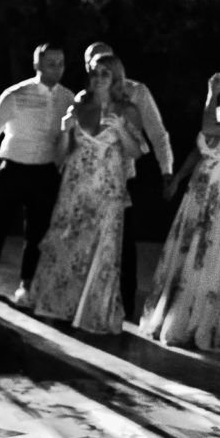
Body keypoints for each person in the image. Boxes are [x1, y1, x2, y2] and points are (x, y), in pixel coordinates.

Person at [140, 59, 220, 351]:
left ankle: (203, 323)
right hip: (200, 187)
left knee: (213, 251)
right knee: (189, 250)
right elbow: (200, 150)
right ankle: (176, 316)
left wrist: (210, 95)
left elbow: (210, 127)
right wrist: (178, 179)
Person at [29, 54, 146, 333]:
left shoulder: (127, 109)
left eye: (105, 73)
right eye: (94, 73)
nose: (98, 78)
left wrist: (120, 130)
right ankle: (61, 306)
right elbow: (60, 157)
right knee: (67, 245)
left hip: (107, 190)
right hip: (76, 186)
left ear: (115, 78)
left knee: (101, 251)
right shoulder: (79, 104)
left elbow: (137, 152)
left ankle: (92, 311)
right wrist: (65, 131)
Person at [0, 43, 74, 304]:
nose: (57, 68)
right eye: (51, 63)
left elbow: (71, 137)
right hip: (14, 168)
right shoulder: (17, 94)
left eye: (61, 63)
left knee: (37, 231)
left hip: (47, 171)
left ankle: (27, 286)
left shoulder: (68, 98)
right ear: (37, 64)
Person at [84, 42, 173, 318]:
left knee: (123, 241)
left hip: (122, 176)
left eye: (104, 64)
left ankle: (125, 301)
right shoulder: (84, 97)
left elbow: (157, 135)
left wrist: (166, 171)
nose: (98, 69)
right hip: (88, 179)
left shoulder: (136, 93)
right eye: (92, 64)